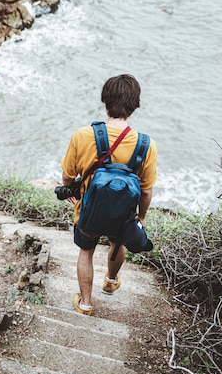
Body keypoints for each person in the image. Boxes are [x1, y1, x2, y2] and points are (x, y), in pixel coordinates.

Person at [60, 74, 158, 316]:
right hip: (121, 214)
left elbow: (67, 176)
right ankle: (111, 281)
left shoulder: (83, 136)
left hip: (88, 209)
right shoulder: (146, 145)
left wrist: (73, 190)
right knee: (117, 242)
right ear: (135, 105)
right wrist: (141, 217)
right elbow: (146, 190)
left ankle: (85, 303)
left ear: (105, 101)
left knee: (86, 251)